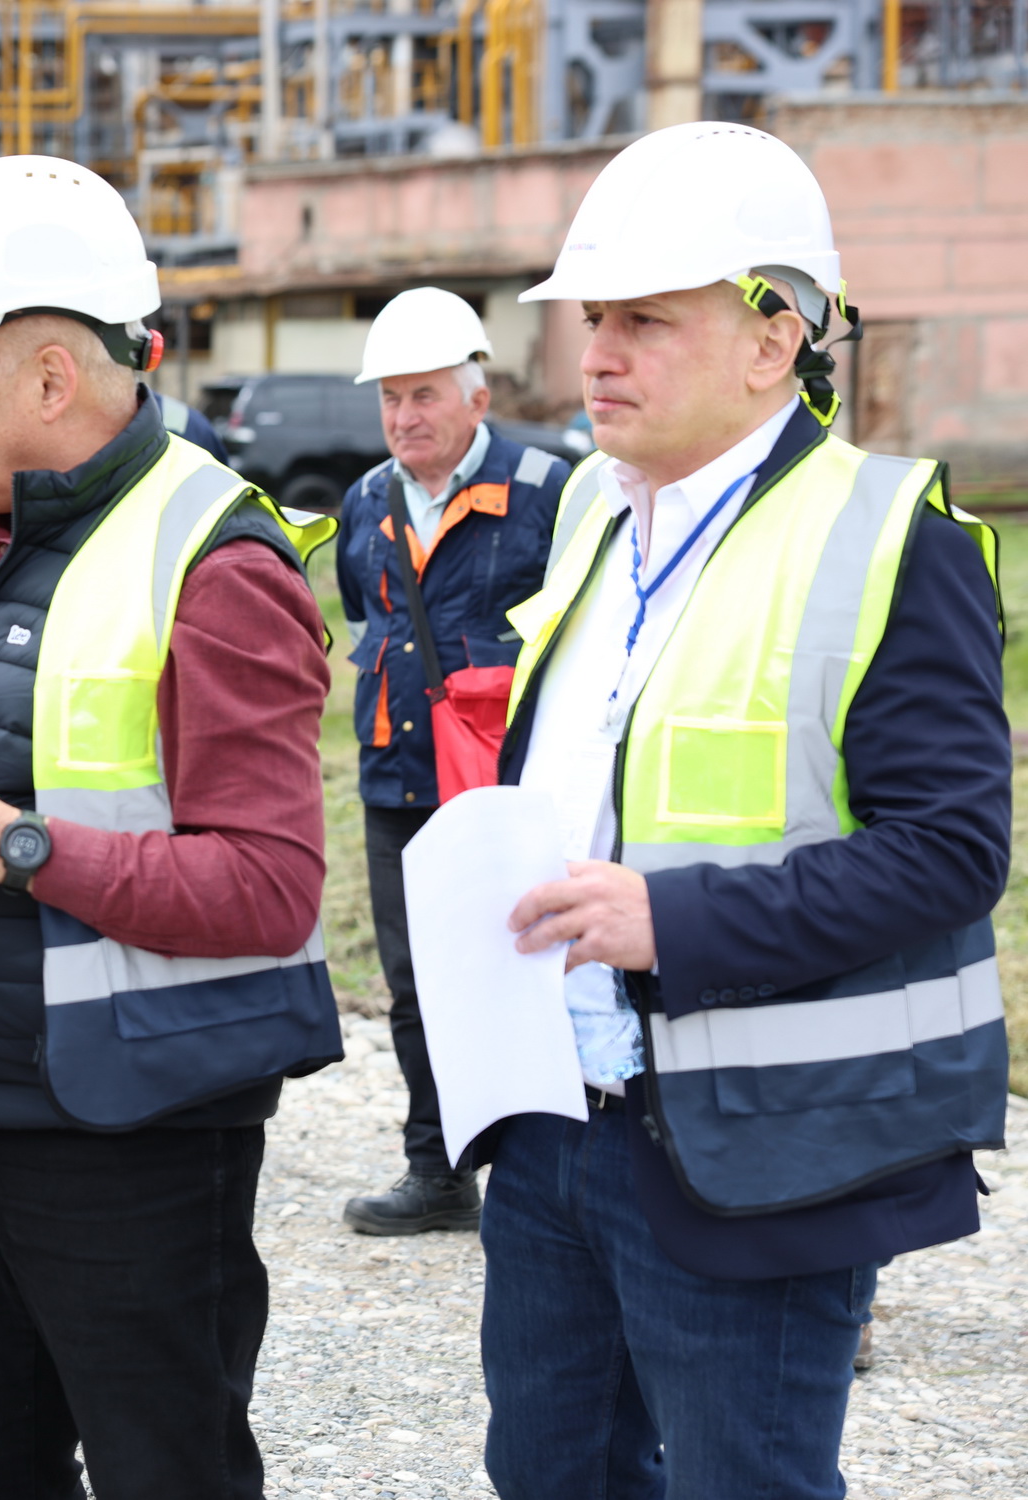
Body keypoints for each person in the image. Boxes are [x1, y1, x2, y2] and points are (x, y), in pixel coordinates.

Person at [482, 121, 1009, 1498]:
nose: (597, 355)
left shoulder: (892, 538)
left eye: (644, 321)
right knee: (545, 1474)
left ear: (774, 339)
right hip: (553, 1122)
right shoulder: (593, 514)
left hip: (756, 1145)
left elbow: (952, 851)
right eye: (593, 320)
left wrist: (674, 921)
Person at [0, 155, 341, 1500]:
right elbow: (0, 745)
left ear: (50, 379)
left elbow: (271, 888)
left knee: (167, 1472)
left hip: (128, 1138)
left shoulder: (214, 562)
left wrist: (13, 848)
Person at [333, 288, 568, 1236]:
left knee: (526, 967)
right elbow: (364, 612)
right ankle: (438, 1171)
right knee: (415, 981)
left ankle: (540, 1176)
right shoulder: (366, 500)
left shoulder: (547, 490)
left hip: (507, 780)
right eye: (391, 398)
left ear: (478, 397)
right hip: (397, 773)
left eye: (424, 394)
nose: (404, 417)